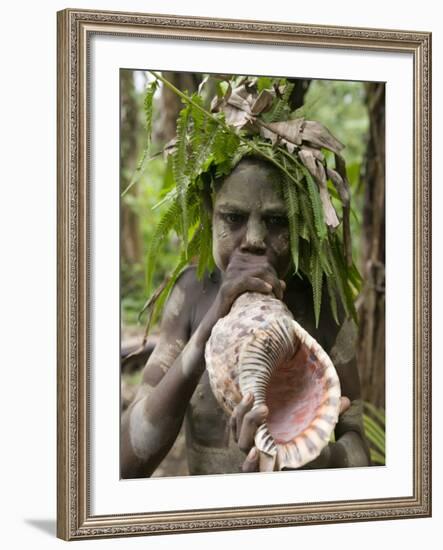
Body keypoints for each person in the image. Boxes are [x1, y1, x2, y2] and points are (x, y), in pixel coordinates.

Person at [120, 154, 370, 478]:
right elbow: (125, 464)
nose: (253, 239)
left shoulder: (322, 304)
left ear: (301, 225)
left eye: (277, 221)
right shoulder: (192, 295)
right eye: (233, 218)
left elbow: (360, 448)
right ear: (211, 214)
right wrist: (211, 322)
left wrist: (308, 457)